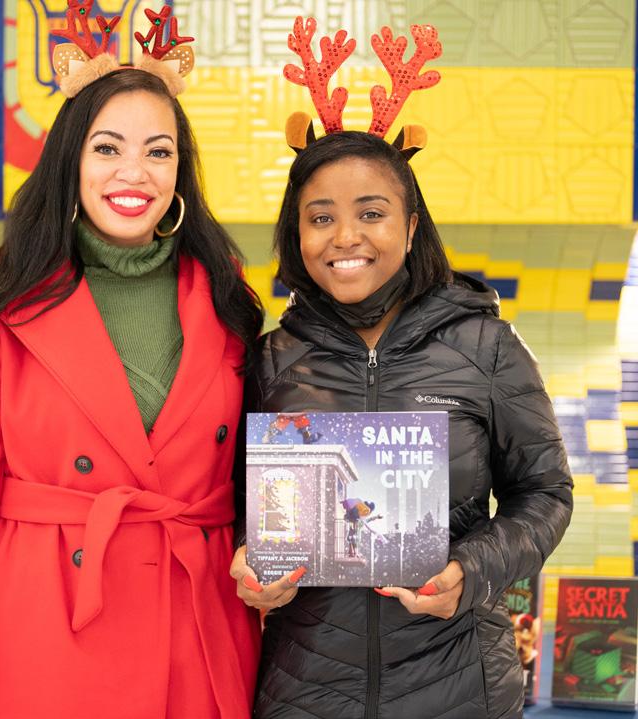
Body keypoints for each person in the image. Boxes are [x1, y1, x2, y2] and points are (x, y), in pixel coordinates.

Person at [0, 6, 263, 718]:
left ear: (180, 170)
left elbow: (258, 474)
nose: (133, 172)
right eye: (107, 148)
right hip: (45, 637)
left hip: (199, 637)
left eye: (158, 152)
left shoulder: (228, 296)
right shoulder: (5, 295)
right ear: (71, 159)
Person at [230, 18, 573, 719]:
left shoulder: (485, 345)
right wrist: (246, 559)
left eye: (371, 213)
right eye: (320, 217)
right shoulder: (268, 358)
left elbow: (545, 492)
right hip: (305, 690)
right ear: (297, 234)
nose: (345, 237)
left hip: (461, 687)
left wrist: (469, 569)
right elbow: (234, 503)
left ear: (411, 227)